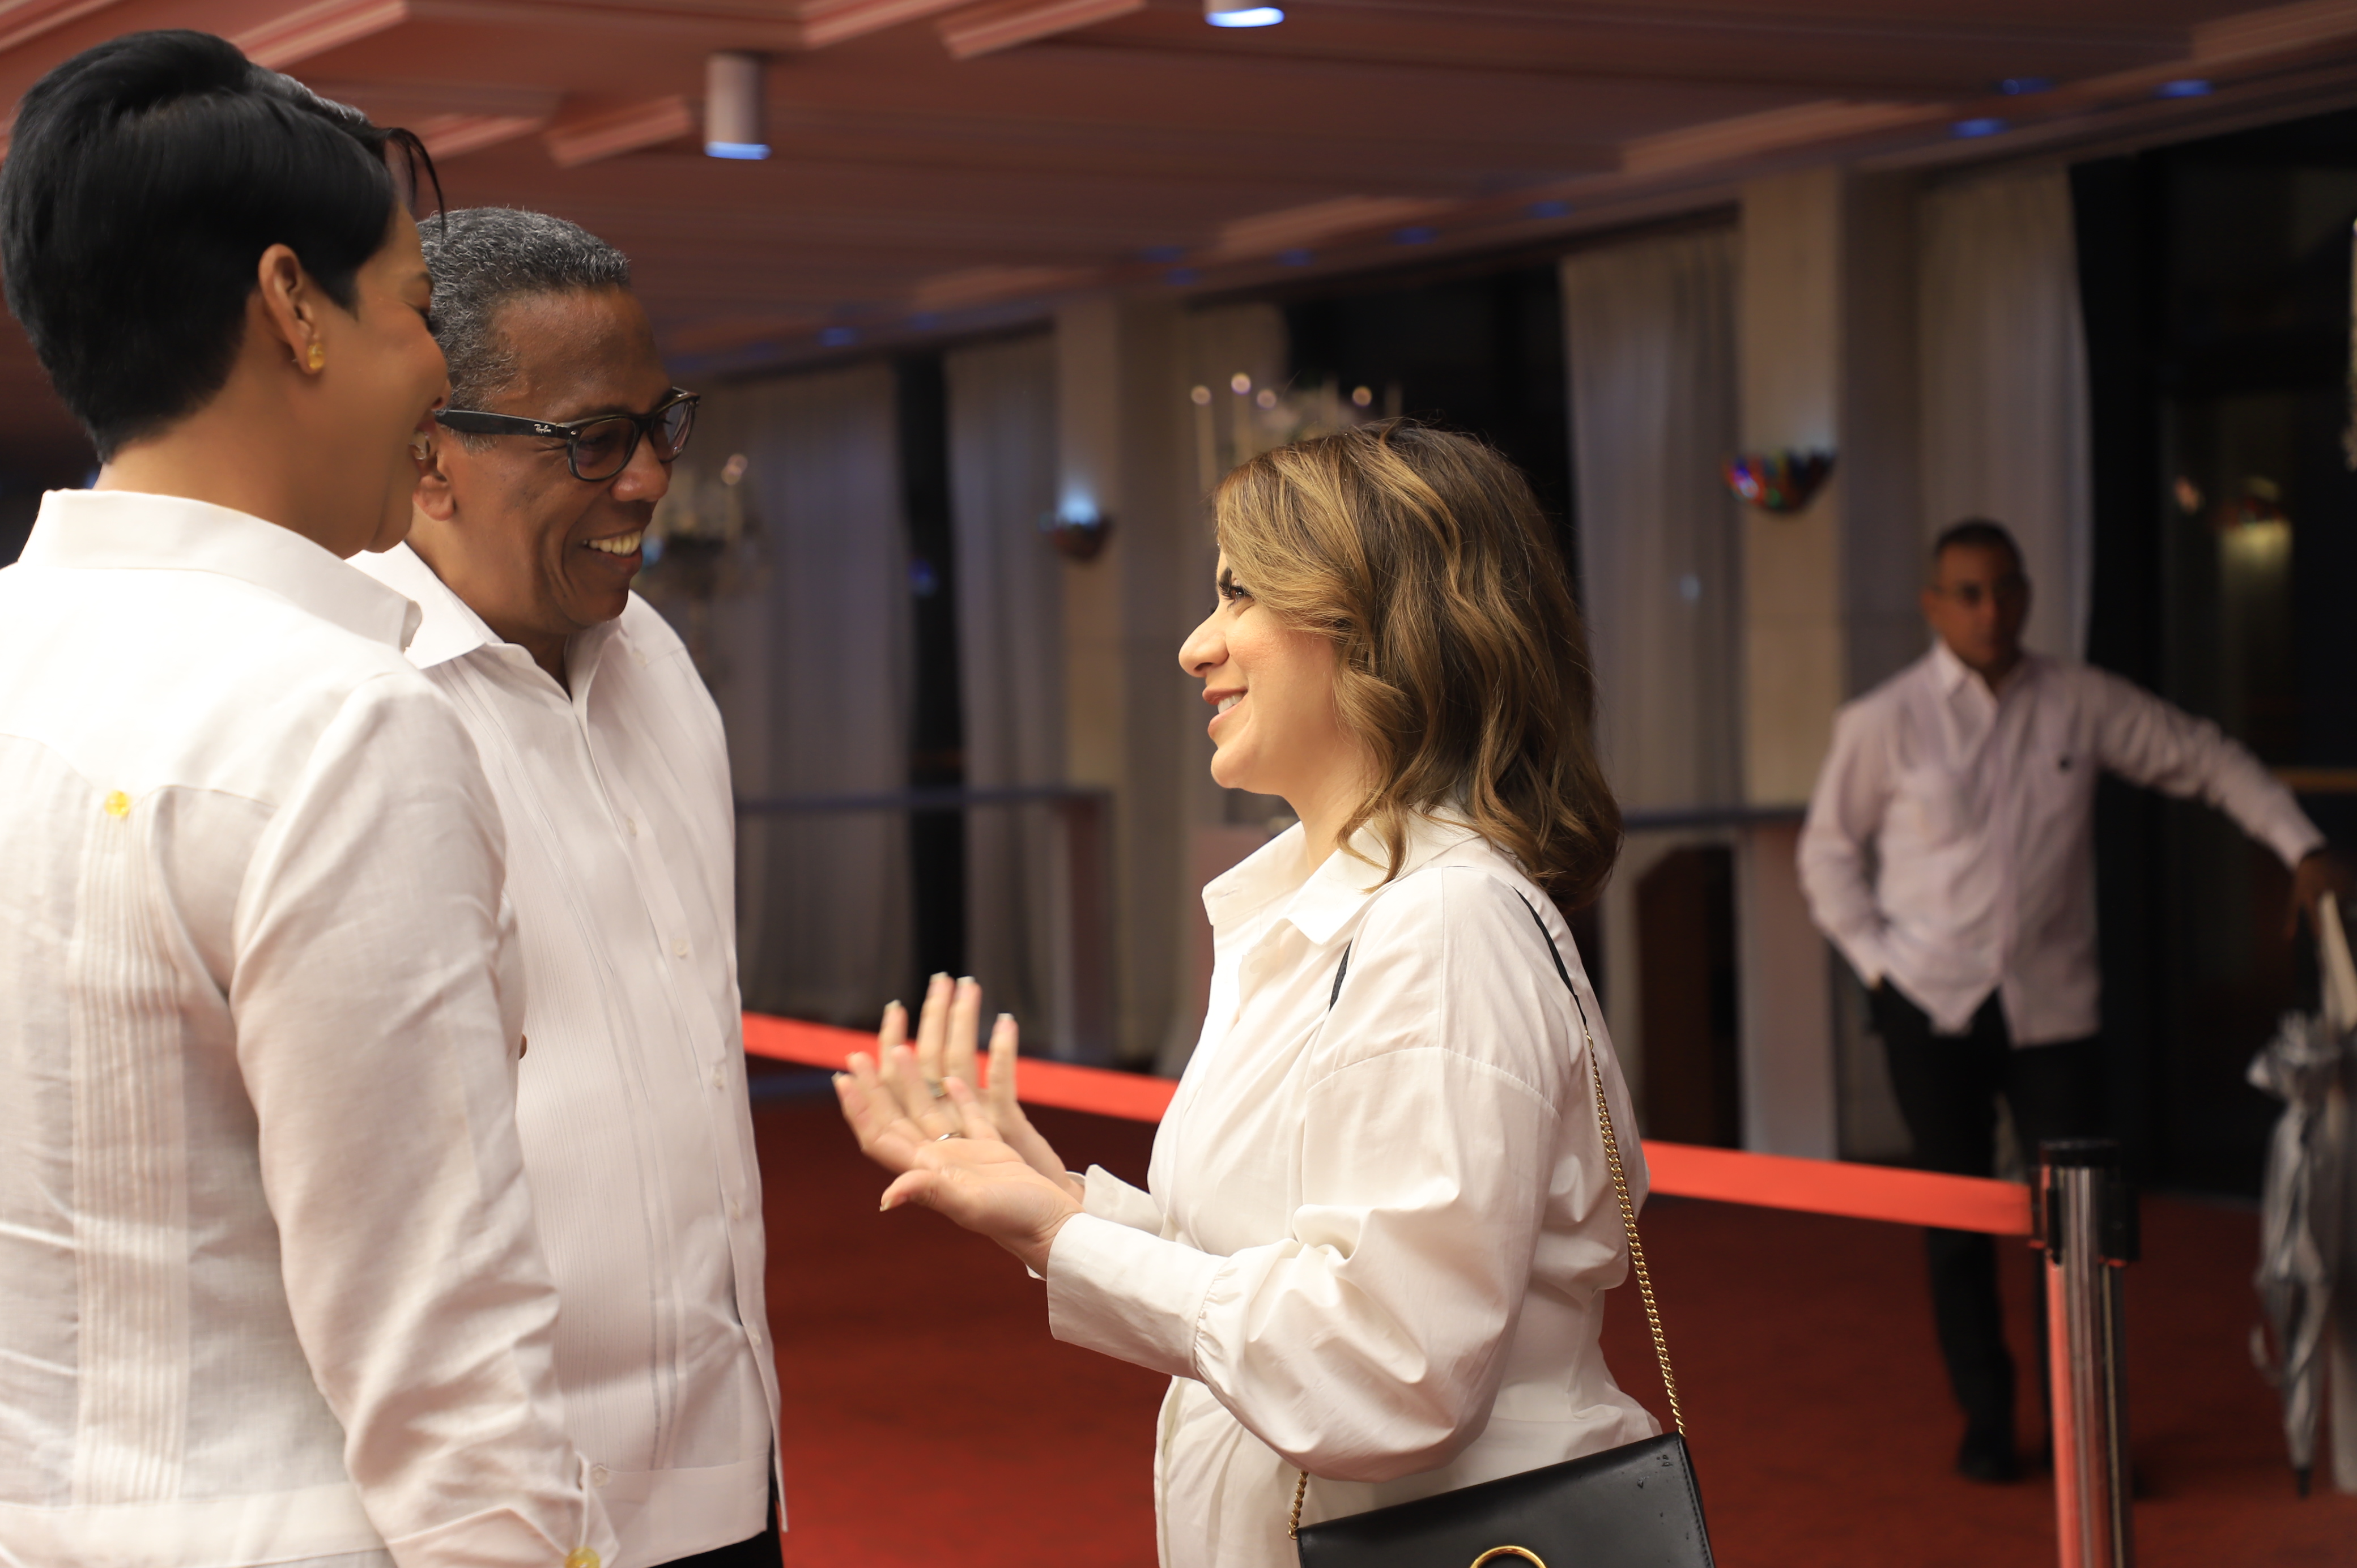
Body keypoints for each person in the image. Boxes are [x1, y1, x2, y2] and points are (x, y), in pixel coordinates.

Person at [836, 421, 1659, 1567]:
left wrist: (1063, 1236)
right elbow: (1277, 1261)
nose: (1195, 646)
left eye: (1240, 593)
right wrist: (1058, 1202)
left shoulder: (1439, 926)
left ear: (1379, 630)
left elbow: (1392, 1371)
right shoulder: (1336, 913)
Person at [0, 32, 615, 1568]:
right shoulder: (337, 722)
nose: (439, 376)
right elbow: (448, 1365)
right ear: (293, 305)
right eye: (413, 309)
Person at [347, 209, 781, 1568]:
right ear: (429, 454)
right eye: (592, 438)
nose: (648, 481)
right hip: (489, 1507)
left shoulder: (658, 661)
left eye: (661, 426)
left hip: (726, 1461)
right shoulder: (347, 701)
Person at [1798, 517, 2348, 1483]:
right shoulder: (1883, 720)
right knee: (1958, 1222)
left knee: (2076, 1226)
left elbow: (2204, 756)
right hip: (1928, 1003)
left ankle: (2083, 1431)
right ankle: (1986, 1418)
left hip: (2052, 1007)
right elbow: (1826, 857)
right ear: (1935, 606)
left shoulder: (2077, 701)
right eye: (1968, 593)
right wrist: (1881, 969)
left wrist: (2300, 844)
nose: (1990, 610)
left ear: (2027, 595)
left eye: (2005, 589)